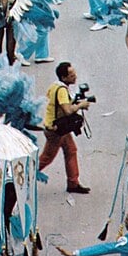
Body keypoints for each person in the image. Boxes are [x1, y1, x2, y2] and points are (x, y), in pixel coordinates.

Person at [38, 62, 91, 195]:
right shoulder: (62, 90)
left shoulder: (55, 86)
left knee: (71, 150)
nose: (75, 76)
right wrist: (81, 106)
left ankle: (73, 183)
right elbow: (67, 111)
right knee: (46, 158)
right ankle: (23, 175)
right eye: (71, 75)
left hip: (59, 128)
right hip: (56, 130)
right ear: (64, 77)